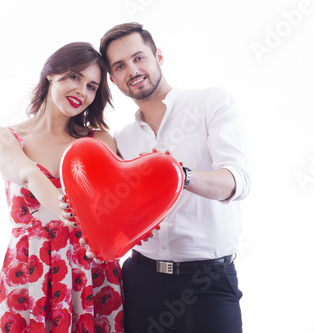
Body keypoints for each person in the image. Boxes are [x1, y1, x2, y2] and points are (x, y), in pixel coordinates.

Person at [97, 23, 250, 333]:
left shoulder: (210, 103)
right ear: (113, 80)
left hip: (208, 282)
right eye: (121, 66)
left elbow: (237, 181)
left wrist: (180, 175)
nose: (133, 70)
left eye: (139, 58)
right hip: (141, 280)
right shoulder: (122, 140)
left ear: (159, 57)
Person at [0, 42, 124, 333]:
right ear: (51, 73)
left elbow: (115, 205)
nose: (82, 91)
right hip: (28, 272)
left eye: (92, 86)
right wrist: (71, 209)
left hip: (88, 272)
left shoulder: (98, 140)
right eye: (75, 77)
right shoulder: (7, 138)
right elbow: (28, 175)